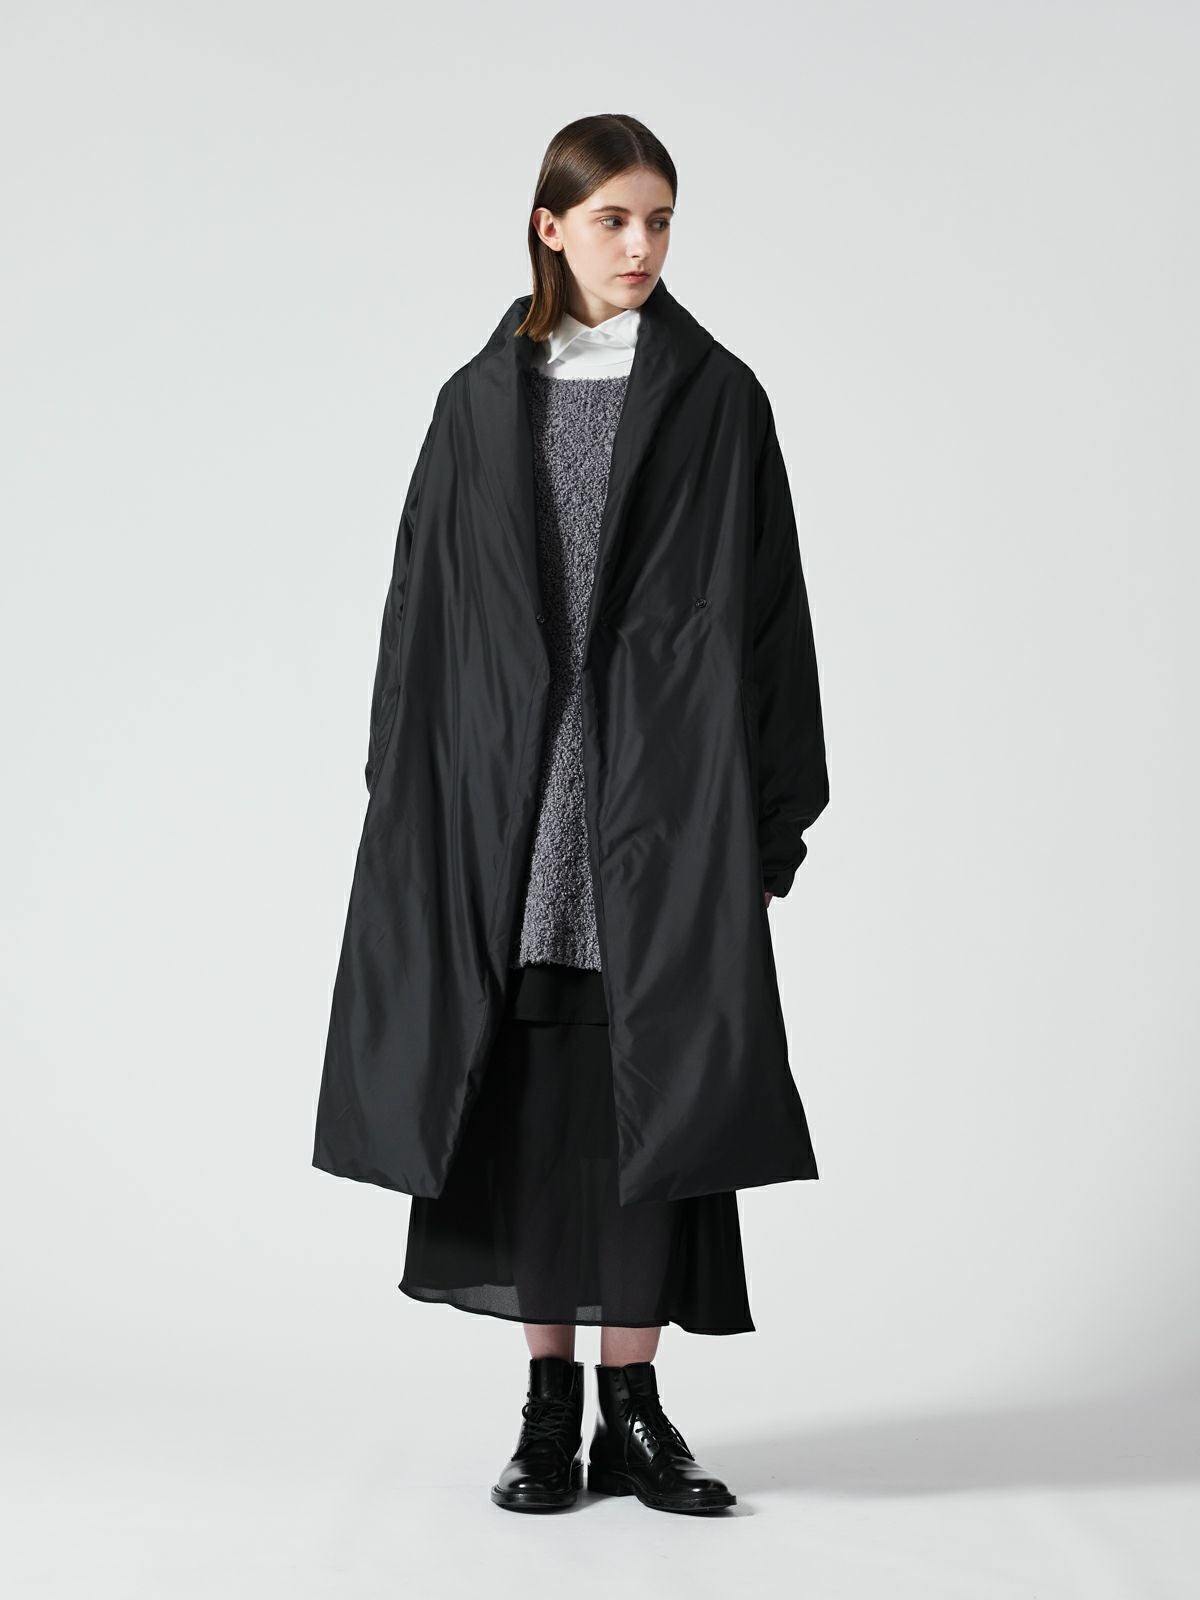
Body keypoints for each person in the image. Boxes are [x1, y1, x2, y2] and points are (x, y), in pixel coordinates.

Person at [313, 113, 830, 1517]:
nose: (641, 245)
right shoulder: (478, 405)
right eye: (614, 219)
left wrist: (768, 821)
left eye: (660, 220)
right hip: (513, 806)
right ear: (549, 227)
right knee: (537, 1100)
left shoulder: (718, 399)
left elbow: (772, 618)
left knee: (655, 1094)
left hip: (668, 800)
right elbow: (422, 619)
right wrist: (410, 806)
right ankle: (549, 1413)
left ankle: (634, 1414)